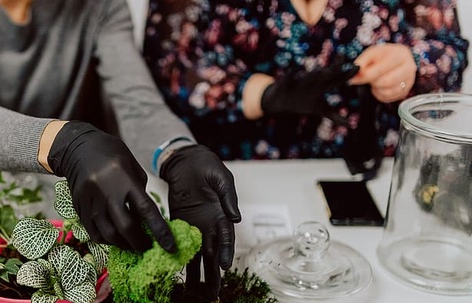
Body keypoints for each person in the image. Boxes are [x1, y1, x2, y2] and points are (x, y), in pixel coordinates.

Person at [0, 0, 241, 297]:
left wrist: (178, 153)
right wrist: (65, 143)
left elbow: (137, 103)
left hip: (60, 198)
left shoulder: (98, 6)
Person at [143, 0, 469, 178]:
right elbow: (169, 66)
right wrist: (265, 95)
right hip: (236, 177)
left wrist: (410, 66)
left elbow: (450, 53)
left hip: (372, 176)